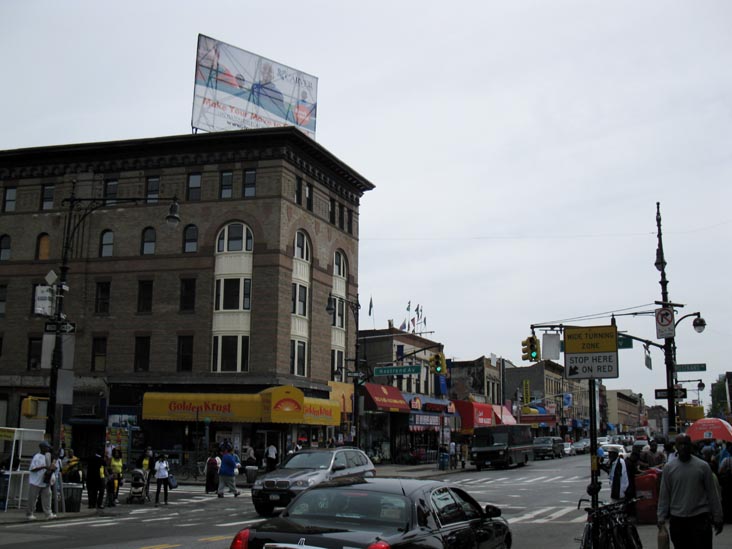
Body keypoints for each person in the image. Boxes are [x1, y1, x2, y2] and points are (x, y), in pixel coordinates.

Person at [658, 434, 724, 548]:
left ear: (691, 446)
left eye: (686, 444)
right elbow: (664, 494)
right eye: (680, 444)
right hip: (678, 521)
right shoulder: (669, 468)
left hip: (700, 520)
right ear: (676, 447)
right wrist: (661, 517)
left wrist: (718, 516)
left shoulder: (703, 467)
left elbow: (712, 493)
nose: (683, 447)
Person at [26, 441, 56, 520]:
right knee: (32, 498)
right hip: (36, 481)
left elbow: (49, 467)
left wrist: (52, 468)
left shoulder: (48, 456)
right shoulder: (37, 457)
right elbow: (32, 469)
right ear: (42, 448)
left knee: (48, 496)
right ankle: (30, 513)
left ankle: (48, 513)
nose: (48, 449)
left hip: (45, 480)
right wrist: (44, 467)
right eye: (47, 447)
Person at [86, 447, 106, 512]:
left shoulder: (91, 458)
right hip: (98, 478)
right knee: (99, 491)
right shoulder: (101, 459)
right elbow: (104, 466)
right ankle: (97, 504)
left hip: (90, 478)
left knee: (91, 492)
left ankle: (91, 504)